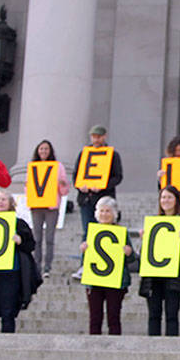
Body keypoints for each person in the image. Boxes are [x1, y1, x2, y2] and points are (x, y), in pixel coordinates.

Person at [139, 186, 180, 336]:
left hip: (174, 276)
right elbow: (145, 254)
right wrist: (144, 241)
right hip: (153, 275)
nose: (166, 200)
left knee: (172, 315)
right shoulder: (153, 222)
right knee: (153, 314)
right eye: (163, 197)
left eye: (169, 197)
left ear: (176, 200)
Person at [0, 189, 36, 333]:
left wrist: (20, 241)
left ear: (11, 203)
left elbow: (31, 245)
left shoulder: (19, 223)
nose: (0, 202)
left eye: (4, 199)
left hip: (10, 272)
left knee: (8, 312)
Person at [72, 125, 124, 279]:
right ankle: (84, 264)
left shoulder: (113, 154)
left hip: (104, 199)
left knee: (105, 230)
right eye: (93, 136)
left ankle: (105, 263)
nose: (95, 139)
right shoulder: (83, 154)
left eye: (98, 136)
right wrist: (80, 186)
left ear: (104, 137)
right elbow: (76, 175)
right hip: (86, 199)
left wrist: (102, 186)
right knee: (87, 231)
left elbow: (118, 176)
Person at [82, 196, 134, 335]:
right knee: (95, 317)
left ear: (114, 214)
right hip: (94, 280)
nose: (104, 214)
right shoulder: (90, 232)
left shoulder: (122, 232)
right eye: (102, 211)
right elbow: (85, 260)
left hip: (116, 281)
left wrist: (128, 252)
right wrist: (84, 250)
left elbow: (132, 259)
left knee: (114, 316)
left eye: (108, 211)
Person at [28, 139, 69, 278]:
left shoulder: (58, 167)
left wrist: (62, 184)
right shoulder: (33, 167)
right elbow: (29, 188)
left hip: (51, 207)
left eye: (46, 149)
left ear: (50, 151)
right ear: (37, 151)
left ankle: (47, 267)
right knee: (37, 238)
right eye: (41, 149)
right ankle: (36, 265)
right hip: (36, 206)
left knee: (49, 238)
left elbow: (64, 191)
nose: (43, 151)